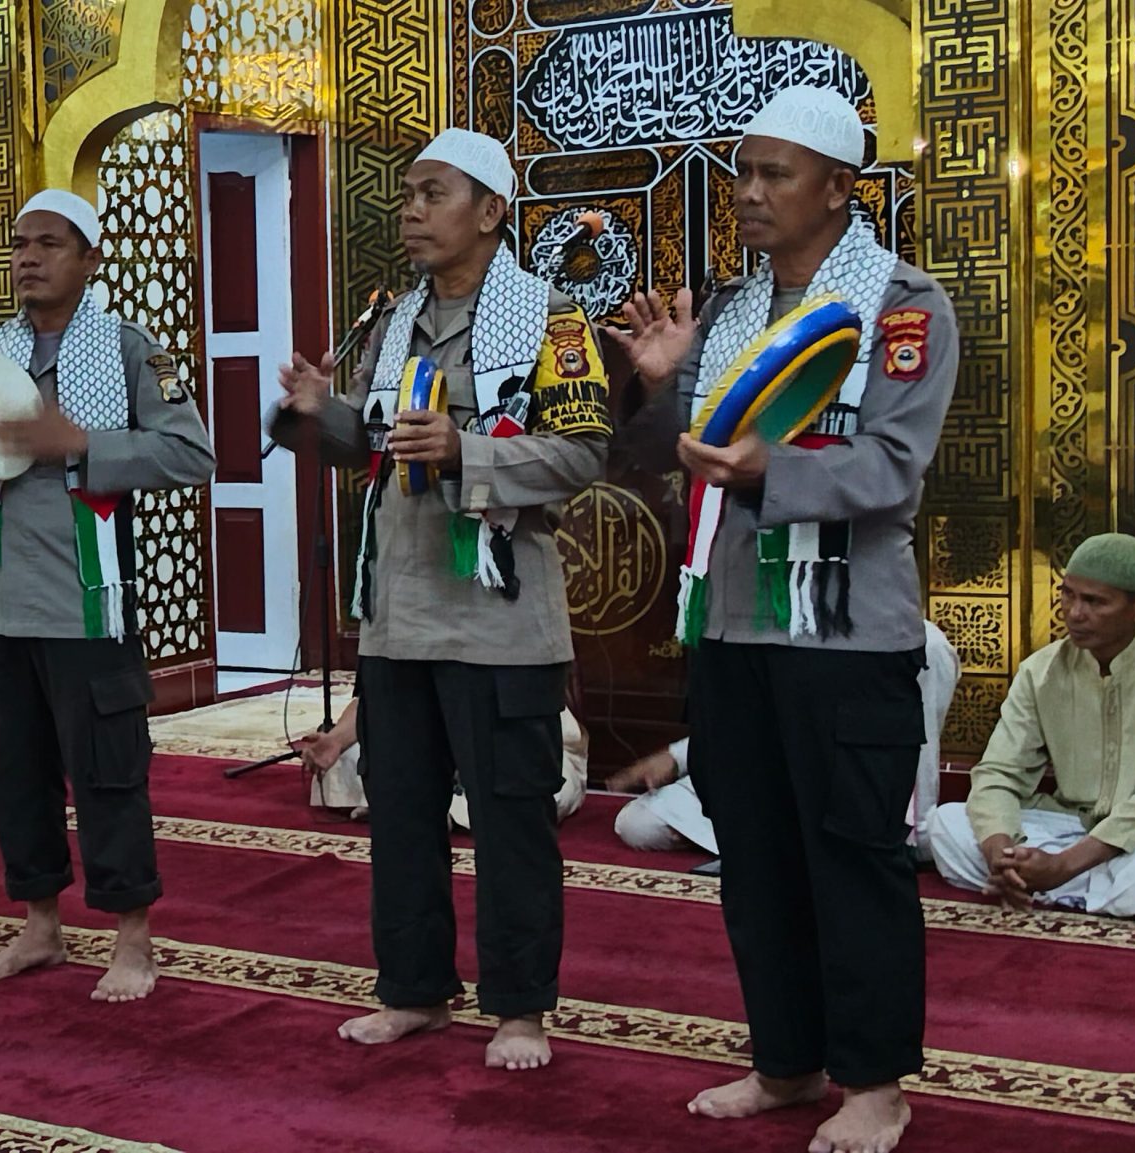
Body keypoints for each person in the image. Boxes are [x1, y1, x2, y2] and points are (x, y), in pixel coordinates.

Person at [602, 86, 956, 1153]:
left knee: (852, 859)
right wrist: (657, 387)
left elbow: (892, 467)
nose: (748, 192)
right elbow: (673, 455)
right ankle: (787, 1060)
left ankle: (874, 1084)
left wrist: (771, 471)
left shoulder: (901, 306)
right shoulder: (729, 310)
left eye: (774, 174)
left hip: (846, 637)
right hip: (733, 628)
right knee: (755, 861)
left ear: (838, 187)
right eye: (742, 172)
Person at [274, 128, 611, 1070]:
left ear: (491, 210)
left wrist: (470, 451)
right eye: (407, 195)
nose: (411, 211)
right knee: (401, 813)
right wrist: (320, 412)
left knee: (510, 823)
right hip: (400, 616)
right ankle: (414, 990)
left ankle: (519, 1008)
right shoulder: (393, 321)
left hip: (500, 621)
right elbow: (375, 446)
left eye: (433, 194)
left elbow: (584, 454)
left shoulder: (552, 320)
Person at [0, 190, 215, 1003]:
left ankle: (132, 937)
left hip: (90, 604)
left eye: (49, 244)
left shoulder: (129, 351)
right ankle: (41, 924)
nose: (28, 257)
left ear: (90, 257)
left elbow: (191, 453)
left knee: (107, 774)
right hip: (2, 602)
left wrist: (80, 444)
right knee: (13, 772)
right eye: (20, 243)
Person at [925, 534, 1135, 919]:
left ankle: (1059, 888)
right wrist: (1002, 854)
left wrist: (1064, 866)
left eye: (1094, 601)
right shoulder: (1040, 671)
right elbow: (998, 773)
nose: (1074, 613)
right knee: (946, 824)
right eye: (1068, 595)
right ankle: (1086, 890)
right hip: (1069, 826)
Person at [614, 619, 960, 856]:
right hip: (777, 782)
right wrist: (678, 757)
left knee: (938, 834)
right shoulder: (776, 624)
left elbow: (918, 750)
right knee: (639, 824)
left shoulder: (916, 642)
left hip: (854, 788)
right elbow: (754, 727)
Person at [297, 692, 591, 829]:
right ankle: (428, 806)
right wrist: (335, 741)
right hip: (432, 745)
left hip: (508, 743)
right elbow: (373, 700)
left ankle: (418, 806)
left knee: (542, 791)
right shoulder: (414, 625)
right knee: (354, 759)